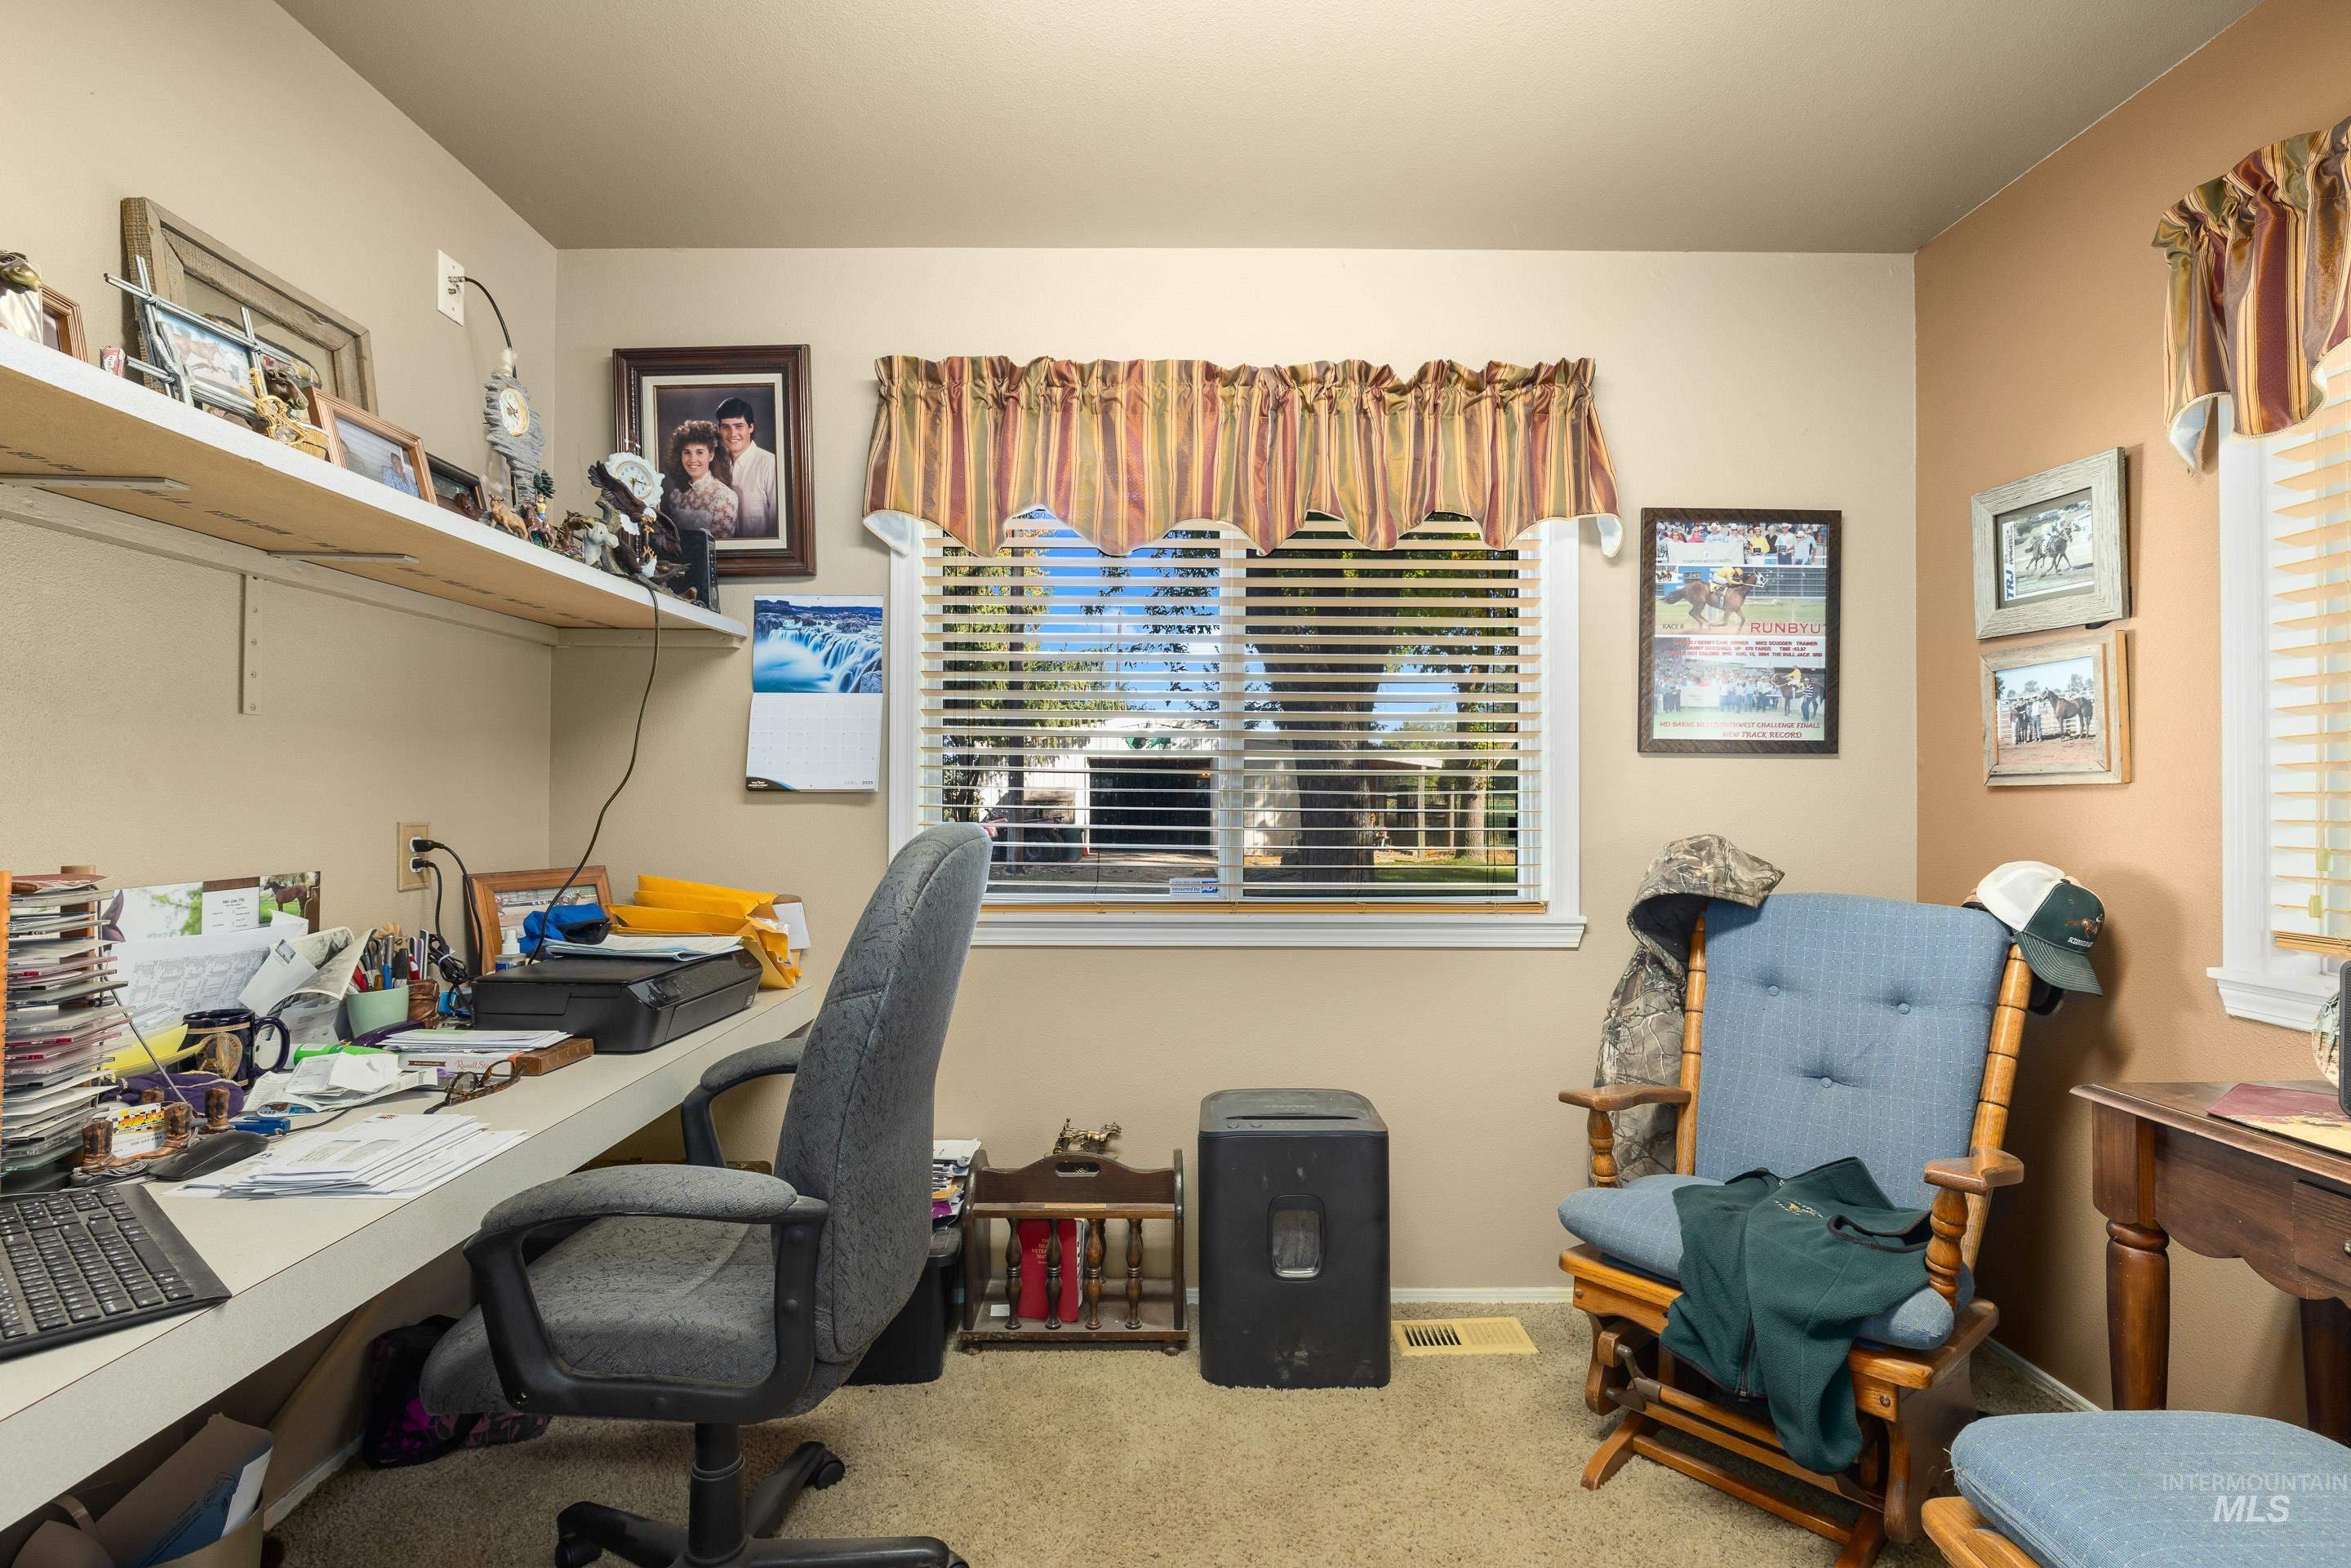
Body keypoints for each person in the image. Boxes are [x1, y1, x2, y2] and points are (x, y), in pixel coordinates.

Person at [714, 396, 778, 539]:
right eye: (726, 427)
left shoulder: (769, 463)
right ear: (719, 430)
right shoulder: (714, 465)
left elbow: (779, 524)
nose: (732, 434)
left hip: (761, 554)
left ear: (751, 427)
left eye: (739, 426)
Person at [662, 420, 739, 536]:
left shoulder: (724, 496)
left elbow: (720, 548)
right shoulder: (676, 496)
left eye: (699, 452)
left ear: (711, 455)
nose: (692, 459)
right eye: (687, 452)